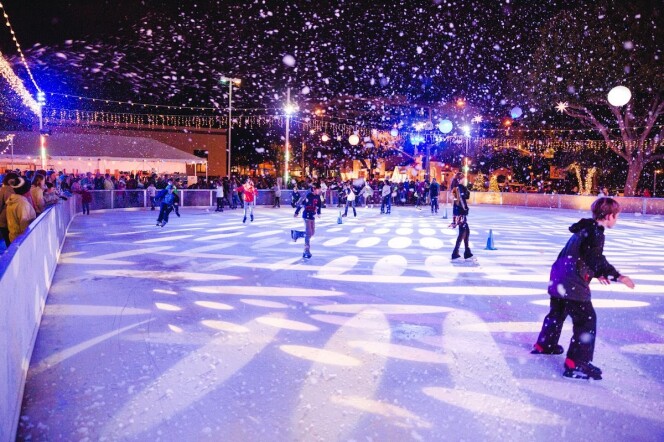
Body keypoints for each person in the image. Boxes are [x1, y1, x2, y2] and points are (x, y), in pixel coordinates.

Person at [531, 197, 635, 380]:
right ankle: (577, 363)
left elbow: (582, 256)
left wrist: (596, 272)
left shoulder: (584, 229)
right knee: (586, 321)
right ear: (609, 216)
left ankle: (545, 344)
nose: (617, 220)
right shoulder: (595, 233)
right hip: (572, 283)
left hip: (558, 278)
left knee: (558, 312)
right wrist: (617, 275)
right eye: (616, 216)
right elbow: (594, 259)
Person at [291, 183, 323, 259]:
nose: (320, 191)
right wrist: (296, 212)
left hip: (312, 216)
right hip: (306, 216)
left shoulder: (318, 196)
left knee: (312, 233)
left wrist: (318, 212)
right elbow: (301, 204)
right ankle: (306, 251)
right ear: (314, 189)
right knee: (308, 233)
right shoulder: (308, 195)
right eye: (319, 189)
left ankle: (297, 234)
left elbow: (319, 204)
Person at [450, 172, 474, 261]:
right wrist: (465, 209)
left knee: (466, 231)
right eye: (464, 178)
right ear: (460, 179)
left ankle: (467, 252)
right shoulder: (459, 188)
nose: (465, 180)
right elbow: (462, 200)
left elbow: (465, 197)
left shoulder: (457, 188)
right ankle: (455, 252)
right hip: (461, 212)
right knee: (463, 232)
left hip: (458, 211)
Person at [5, 176, 36, 243]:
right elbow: (25, 227)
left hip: (14, 237)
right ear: (26, 190)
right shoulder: (22, 204)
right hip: (22, 241)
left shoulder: (12, 200)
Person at [0, 172, 19, 247]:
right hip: (11, 218)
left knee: (8, 241)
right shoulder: (16, 190)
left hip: (4, 219)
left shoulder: (3, 190)